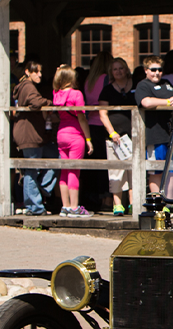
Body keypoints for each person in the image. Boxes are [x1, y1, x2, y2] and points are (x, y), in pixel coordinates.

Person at [13, 61, 57, 216]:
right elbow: (35, 102)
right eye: (35, 72)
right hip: (29, 134)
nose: (39, 75)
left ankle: (41, 189)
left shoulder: (24, 86)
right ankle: (35, 206)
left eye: (40, 72)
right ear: (27, 72)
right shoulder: (27, 86)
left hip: (33, 134)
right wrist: (50, 103)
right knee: (32, 170)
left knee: (54, 158)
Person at [98, 58, 138, 215]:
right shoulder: (107, 90)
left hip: (135, 135)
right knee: (116, 171)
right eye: (115, 69)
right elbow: (102, 113)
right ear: (111, 72)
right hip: (115, 138)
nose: (119, 71)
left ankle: (134, 203)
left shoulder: (136, 86)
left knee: (133, 171)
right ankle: (118, 204)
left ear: (127, 69)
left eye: (121, 68)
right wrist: (112, 132)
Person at [52, 65, 94, 217]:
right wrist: (88, 138)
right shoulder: (76, 94)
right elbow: (82, 118)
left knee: (64, 170)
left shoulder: (56, 93)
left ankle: (65, 206)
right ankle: (75, 207)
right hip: (75, 134)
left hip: (61, 133)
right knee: (74, 171)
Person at [134, 55, 173, 195]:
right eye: (153, 69)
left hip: (171, 133)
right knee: (156, 170)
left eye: (159, 69)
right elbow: (146, 102)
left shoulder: (167, 83)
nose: (157, 72)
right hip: (154, 134)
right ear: (146, 70)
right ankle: (158, 204)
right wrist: (168, 102)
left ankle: (169, 204)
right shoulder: (143, 85)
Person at [81, 50, 112, 210]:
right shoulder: (106, 79)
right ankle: (107, 199)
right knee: (106, 166)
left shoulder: (88, 80)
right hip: (103, 125)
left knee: (96, 165)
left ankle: (96, 198)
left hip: (91, 124)